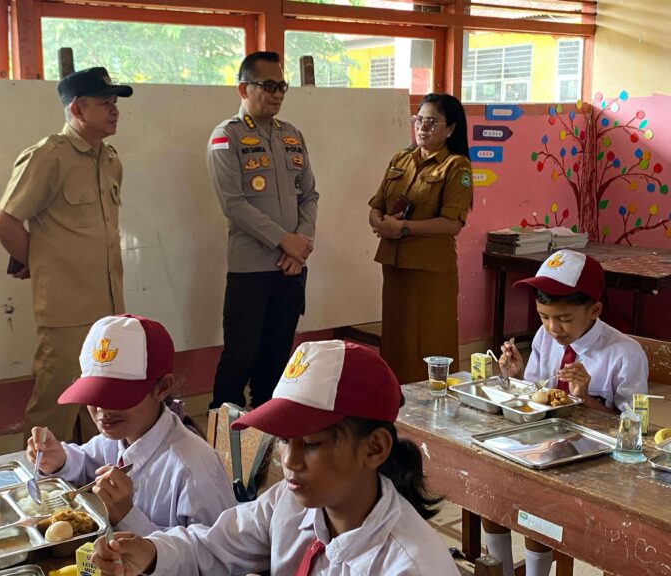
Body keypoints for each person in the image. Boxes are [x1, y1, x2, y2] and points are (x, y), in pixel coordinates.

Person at [89, 339, 460, 576]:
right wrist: (151, 553)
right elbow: (212, 545)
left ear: (375, 448)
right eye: (284, 440)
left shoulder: (409, 567)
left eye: (312, 444)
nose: (290, 461)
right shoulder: (292, 502)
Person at [483, 249, 649, 576]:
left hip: (596, 464)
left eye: (563, 319)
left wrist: (585, 399)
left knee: (541, 503)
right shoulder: (547, 337)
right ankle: (500, 570)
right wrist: (516, 378)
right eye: (544, 316)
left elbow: (636, 429)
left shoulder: (624, 354)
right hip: (544, 448)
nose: (552, 328)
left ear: (595, 310)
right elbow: (536, 393)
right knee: (494, 487)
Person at [0, 67, 132, 443]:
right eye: (105, 103)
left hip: (108, 307)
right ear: (78, 109)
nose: (114, 110)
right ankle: (39, 490)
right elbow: (4, 221)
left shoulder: (110, 160)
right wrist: (35, 264)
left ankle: (88, 484)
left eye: (115, 103)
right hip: (66, 309)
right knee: (53, 407)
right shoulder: (48, 156)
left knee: (99, 403)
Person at [26, 314, 236, 535]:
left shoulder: (192, 469)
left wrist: (126, 515)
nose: (103, 411)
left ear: (162, 388)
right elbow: (87, 461)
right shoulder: (122, 436)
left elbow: (215, 555)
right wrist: (61, 460)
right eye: (94, 395)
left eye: (117, 398)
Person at [206, 51, 319, 410]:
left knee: (276, 358)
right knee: (240, 357)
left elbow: (310, 195)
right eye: (268, 86)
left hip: (291, 268)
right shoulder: (227, 137)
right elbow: (234, 204)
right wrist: (286, 241)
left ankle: (268, 432)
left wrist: (300, 246)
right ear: (244, 88)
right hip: (250, 269)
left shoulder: (292, 135)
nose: (277, 94)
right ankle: (223, 436)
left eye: (282, 86)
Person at [368, 93, 473, 384]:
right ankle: (395, 398)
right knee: (396, 337)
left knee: (429, 339)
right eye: (419, 120)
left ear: (450, 128)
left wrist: (402, 229)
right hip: (395, 262)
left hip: (430, 268)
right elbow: (377, 205)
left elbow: (452, 224)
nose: (422, 127)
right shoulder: (401, 158)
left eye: (432, 122)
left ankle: (434, 400)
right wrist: (379, 222)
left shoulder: (456, 166)